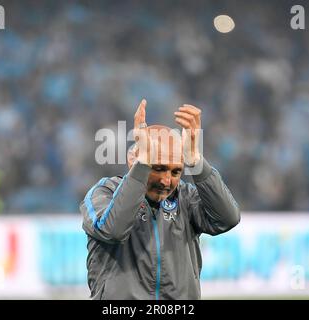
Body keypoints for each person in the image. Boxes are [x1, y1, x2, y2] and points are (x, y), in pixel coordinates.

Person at [80, 99, 240, 300]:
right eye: (158, 168)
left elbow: (227, 219)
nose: (166, 180)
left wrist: (195, 160)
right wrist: (143, 164)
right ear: (133, 161)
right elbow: (114, 230)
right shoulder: (104, 192)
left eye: (176, 171)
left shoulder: (186, 198)